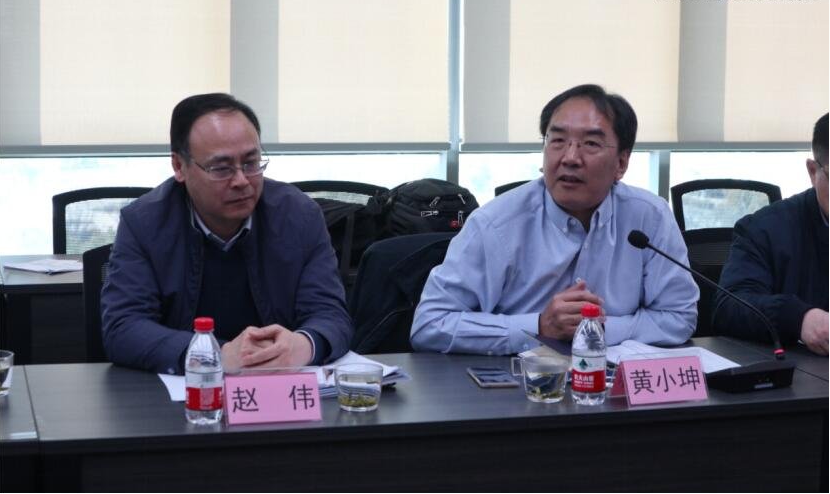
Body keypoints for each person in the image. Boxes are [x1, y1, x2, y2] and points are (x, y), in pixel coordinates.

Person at [410, 84, 698, 354]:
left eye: (590, 143)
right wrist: (538, 326)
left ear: (621, 163)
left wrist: (594, 330)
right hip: (519, 381)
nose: (570, 157)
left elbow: (678, 316)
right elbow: (430, 324)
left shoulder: (649, 217)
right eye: (558, 140)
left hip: (612, 380)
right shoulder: (495, 224)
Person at [102, 93, 353, 374]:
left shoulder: (299, 215)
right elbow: (123, 328)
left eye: (251, 163)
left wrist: (303, 344)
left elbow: (330, 314)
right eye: (221, 168)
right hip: (188, 391)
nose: (241, 181)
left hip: (279, 386)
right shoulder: (143, 223)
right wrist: (215, 356)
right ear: (179, 167)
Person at [713, 114, 829, 355]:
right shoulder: (764, 229)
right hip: (805, 371)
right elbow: (729, 307)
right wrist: (799, 318)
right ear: (813, 171)